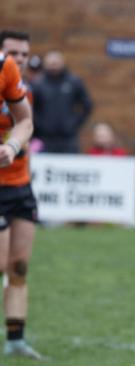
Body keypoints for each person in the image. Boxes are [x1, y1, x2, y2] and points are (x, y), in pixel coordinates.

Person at [0, 30, 42, 359]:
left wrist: (12, 146)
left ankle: (15, 340)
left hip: (20, 184)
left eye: (24, 54)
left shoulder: (22, 87)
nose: (19, 59)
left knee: (19, 266)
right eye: (12, 52)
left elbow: (25, 123)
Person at [31, 50, 93, 153]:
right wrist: (38, 124)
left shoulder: (74, 82)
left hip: (68, 139)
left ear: (62, 63)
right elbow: (30, 107)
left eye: (56, 64)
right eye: (51, 64)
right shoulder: (38, 84)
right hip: (44, 138)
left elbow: (87, 105)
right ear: (45, 65)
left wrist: (74, 123)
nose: (54, 67)